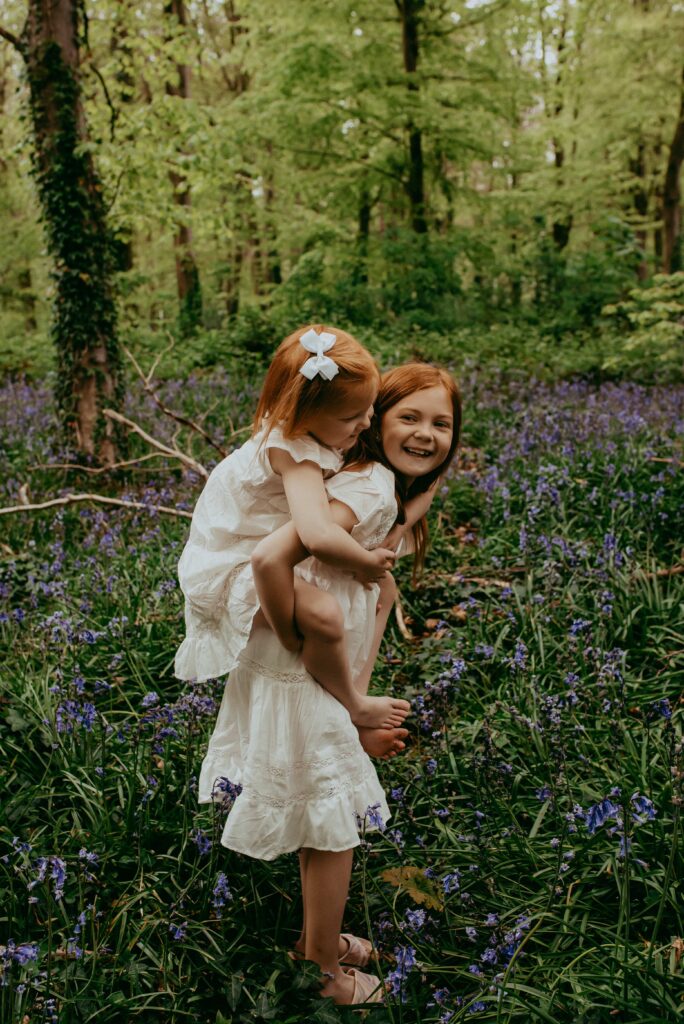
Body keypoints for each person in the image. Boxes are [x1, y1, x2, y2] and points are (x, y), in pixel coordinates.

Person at [198, 362, 461, 1005]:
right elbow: (273, 557)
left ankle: (322, 940)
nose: (427, 434)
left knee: (325, 810)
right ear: (373, 421)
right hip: (303, 666)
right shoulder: (367, 484)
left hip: (316, 667)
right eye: (409, 417)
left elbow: (376, 584)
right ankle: (322, 970)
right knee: (332, 823)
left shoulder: (378, 487)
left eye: (442, 423)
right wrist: (294, 634)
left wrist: (355, 711)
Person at [175, 323, 410, 731]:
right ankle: (353, 703)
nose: (366, 423)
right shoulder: (295, 451)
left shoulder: (301, 433)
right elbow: (317, 535)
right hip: (234, 564)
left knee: (369, 597)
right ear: (301, 415)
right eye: (350, 417)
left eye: (369, 409)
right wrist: (364, 561)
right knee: (322, 613)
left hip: (252, 555)